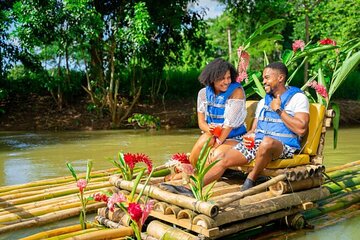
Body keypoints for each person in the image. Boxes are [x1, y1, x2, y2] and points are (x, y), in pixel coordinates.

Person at [203, 62, 310, 191]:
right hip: (258, 144)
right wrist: (250, 135)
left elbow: (301, 129)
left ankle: (251, 179)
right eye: (263, 78)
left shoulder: (298, 98)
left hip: (283, 147)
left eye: (267, 77)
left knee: (267, 142)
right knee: (222, 158)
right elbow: (254, 129)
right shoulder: (263, 102)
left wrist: (278, 110)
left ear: (280, 78)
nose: (263, 81)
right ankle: (192, 187)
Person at [164, 57, 247, 183]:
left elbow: (229, 125)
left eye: (228, 77)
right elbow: (201, 123)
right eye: (221, 78)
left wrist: (217, 144)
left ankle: (188, 179)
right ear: (212, 78)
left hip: (235, 138)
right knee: (205, 139)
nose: (226, 82)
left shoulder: (236, 92)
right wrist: (211, 129)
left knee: (216, 153)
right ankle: (189, 170)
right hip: (214, 135)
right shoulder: (203, 93)